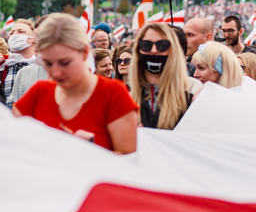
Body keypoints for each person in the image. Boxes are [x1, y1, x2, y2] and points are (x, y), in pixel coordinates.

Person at [13, 13, 138, 153]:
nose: (56, 72)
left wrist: (90, 151)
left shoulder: (113, 94)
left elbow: (129, 160)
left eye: (64, 62)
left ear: (84, 53)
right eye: (48, 63)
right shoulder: (38, 93)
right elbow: (14, 146)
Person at [129, 23, 202, 129]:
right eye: (146, 45)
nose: (153, 50)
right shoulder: (124, 93)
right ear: (138, 50)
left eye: (162, 45)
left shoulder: (191, 91)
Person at [2, 19, 38, 108]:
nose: (14, 35)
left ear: (33, 39)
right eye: (11, 33)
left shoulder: (42, 65)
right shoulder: (3, 66)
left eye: (21, 32)